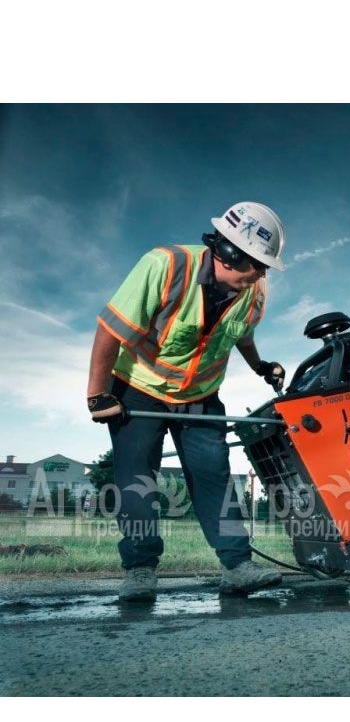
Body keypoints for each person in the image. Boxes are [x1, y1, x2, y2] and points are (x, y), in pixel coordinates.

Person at [87, 201, 288, 602]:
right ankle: (140, 569)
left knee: (214, 475)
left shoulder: (253, 291)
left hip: (200, 394)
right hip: (139, 389)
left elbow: (242, 334)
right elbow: (110, 329)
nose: (263, 274)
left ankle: (237, 566)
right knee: (137, 480)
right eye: (258, 265)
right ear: (228, 253)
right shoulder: (164, 267)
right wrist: (97, 394)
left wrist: (261, 366)